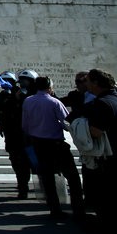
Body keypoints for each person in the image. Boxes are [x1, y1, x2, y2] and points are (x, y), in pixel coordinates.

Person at [21, 76, 85, 220]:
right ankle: (78, 209)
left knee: (47, 177)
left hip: (38, 143)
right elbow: (67, 123)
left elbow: (25, 124)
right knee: (73, 178)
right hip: (55, 143)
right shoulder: (54, 102)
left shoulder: (28, 101)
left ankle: (54, 209)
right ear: (49, 87)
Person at [82, 69, 117, 234]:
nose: (85, 84)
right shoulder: (115, 99)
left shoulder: (102, 104)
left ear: (96, 82)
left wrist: (80, 125)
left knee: (107, 213)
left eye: (87, 81)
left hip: (108, 163)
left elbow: (95, 132)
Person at [0, 70, 32, 198]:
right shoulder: (0, 97)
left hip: (26, 134)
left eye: (10, 82)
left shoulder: (24, 95)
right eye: (5, 82)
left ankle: (24, 184)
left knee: (28, 160)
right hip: (11, 134)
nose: (7, 84)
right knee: (16, 160)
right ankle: (22, 185)